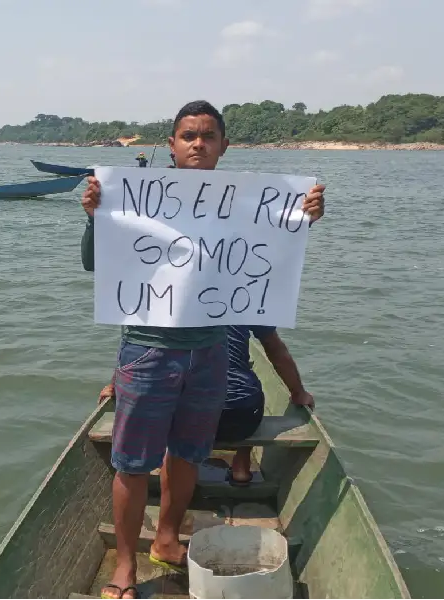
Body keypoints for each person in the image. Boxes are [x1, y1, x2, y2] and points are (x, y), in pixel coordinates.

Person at [80, 100, 326, 600]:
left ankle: (167, 537)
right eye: (188, 135)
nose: (198, 143)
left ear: (223, 146)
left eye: (208, 135)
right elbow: (94, 265)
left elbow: (269, 257)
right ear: (171, 145)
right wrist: (95, 219)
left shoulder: (244, 204)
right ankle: (125, 566)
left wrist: (301, 219)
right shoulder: (137, 198)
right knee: (130, 464)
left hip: (210, 353)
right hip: (149, 351)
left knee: (189, 454)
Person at [97, 326, 314, 486]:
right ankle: (241, 465)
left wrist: (114, 384)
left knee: (173, 402)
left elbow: (138, 356)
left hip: (190, 417)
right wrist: (299, 393)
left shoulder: (169, 311)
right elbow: (277, 351)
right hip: (239, 419)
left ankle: (168, 461)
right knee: (248, 389)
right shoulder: (244, 297)